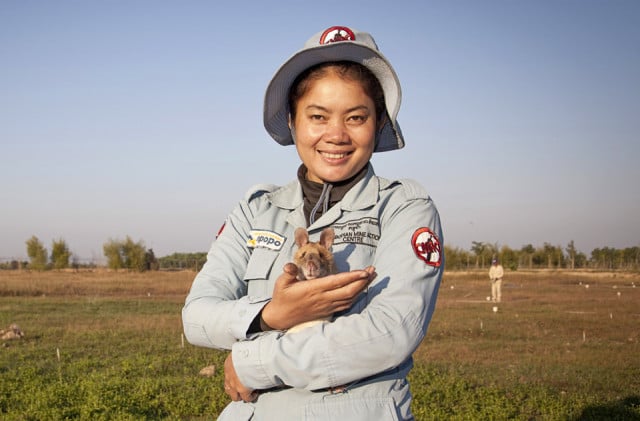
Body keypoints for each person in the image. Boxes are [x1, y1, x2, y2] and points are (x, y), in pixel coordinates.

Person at [182, 25, 444, 420]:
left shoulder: (403, 208)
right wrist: (272, 314)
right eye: (318, 116)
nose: (336, 135)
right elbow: (197, 316)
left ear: (379, 123)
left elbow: (393, 330)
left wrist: (254, 362)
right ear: (292, 121)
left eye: (356, 117)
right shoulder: (256, 209)